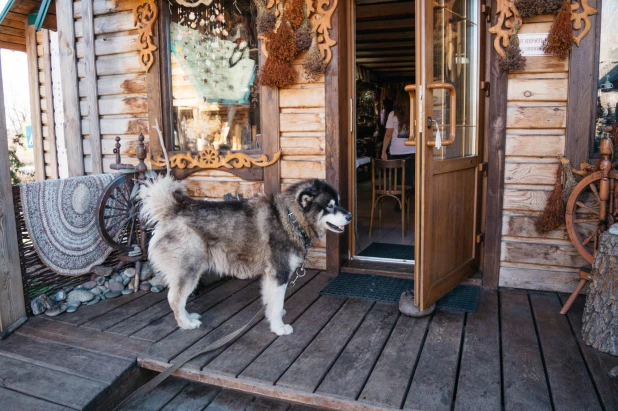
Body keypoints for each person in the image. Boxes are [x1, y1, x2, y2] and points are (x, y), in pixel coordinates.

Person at [381, 89, 415, 188]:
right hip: (411, 151)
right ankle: (406, 200)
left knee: (396, 180)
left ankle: (399, 200)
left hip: (396, 151)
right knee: (409, 180)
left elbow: (388, 134)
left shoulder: (392, 114)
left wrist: (383, 151)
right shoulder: (415, 113)